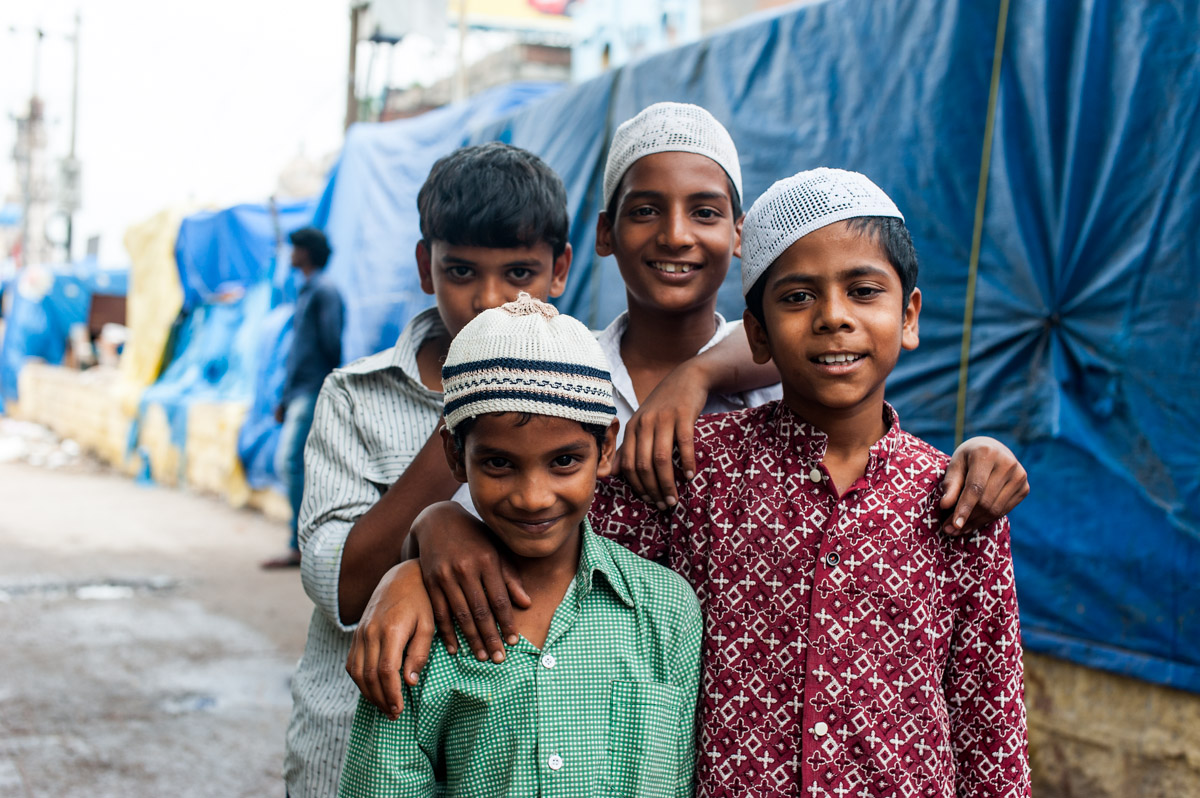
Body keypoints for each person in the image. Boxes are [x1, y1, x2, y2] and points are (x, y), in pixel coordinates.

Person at [353, 168, 1032, 797]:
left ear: (909, 315)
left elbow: (989, 719)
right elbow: (553, 539)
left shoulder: (956, 498)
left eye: (863, 290)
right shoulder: (688, 469)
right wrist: (431, 536)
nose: (833, 317)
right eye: (798, 297)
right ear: (757, 337)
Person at [280, 143, 575, 797]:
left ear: (560, 271)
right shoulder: (357, 396)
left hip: (510, 761)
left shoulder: (587, 400)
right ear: (425, 266)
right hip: (353, 743)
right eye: (462, 271)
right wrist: (468, 422)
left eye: (520, 273)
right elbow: (343, 587)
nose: (490, 301)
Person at [339, 293, 703, 797]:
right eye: (498, 464)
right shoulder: (417, 629)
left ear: (606, 448)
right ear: (453, 452)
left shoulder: (666, 611)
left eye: (564, 462)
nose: (533, 498)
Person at [262, 226, 344, 569]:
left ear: (306, 252)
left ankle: (300, 545)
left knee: (292, 462)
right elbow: (298, 351)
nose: (290, 254)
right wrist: (284, 397)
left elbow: (330, 345)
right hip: (298, 391)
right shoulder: (307, 291)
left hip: (311, 389)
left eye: (295, 248)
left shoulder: (325, 291)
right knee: (300, 464)